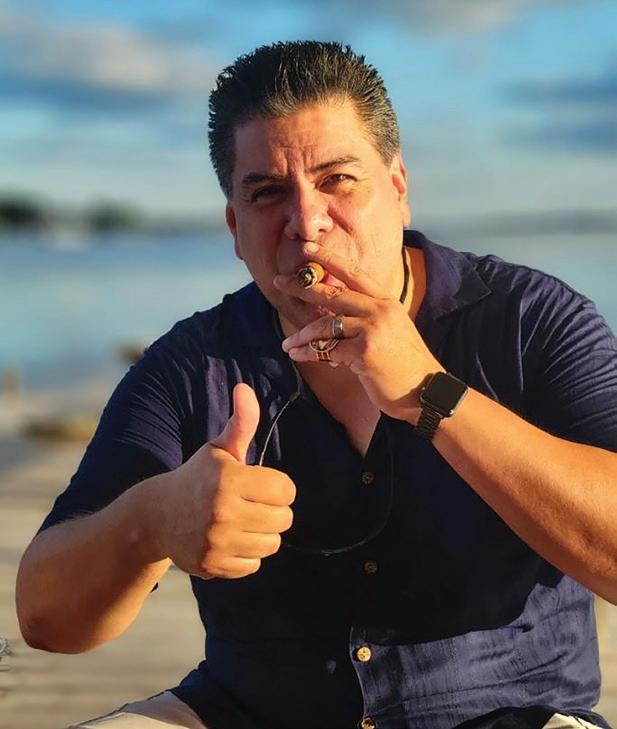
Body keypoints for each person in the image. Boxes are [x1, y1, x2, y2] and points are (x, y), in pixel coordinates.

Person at [15, 41, 617, 729]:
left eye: (337, 180)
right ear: (235, 227)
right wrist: (150, 520)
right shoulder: (191, 364)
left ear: (398, 187)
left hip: (514, 714)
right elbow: (45, 619)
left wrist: (431, 393)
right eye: (268, 193)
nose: (306, 223)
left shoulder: (531, 319)